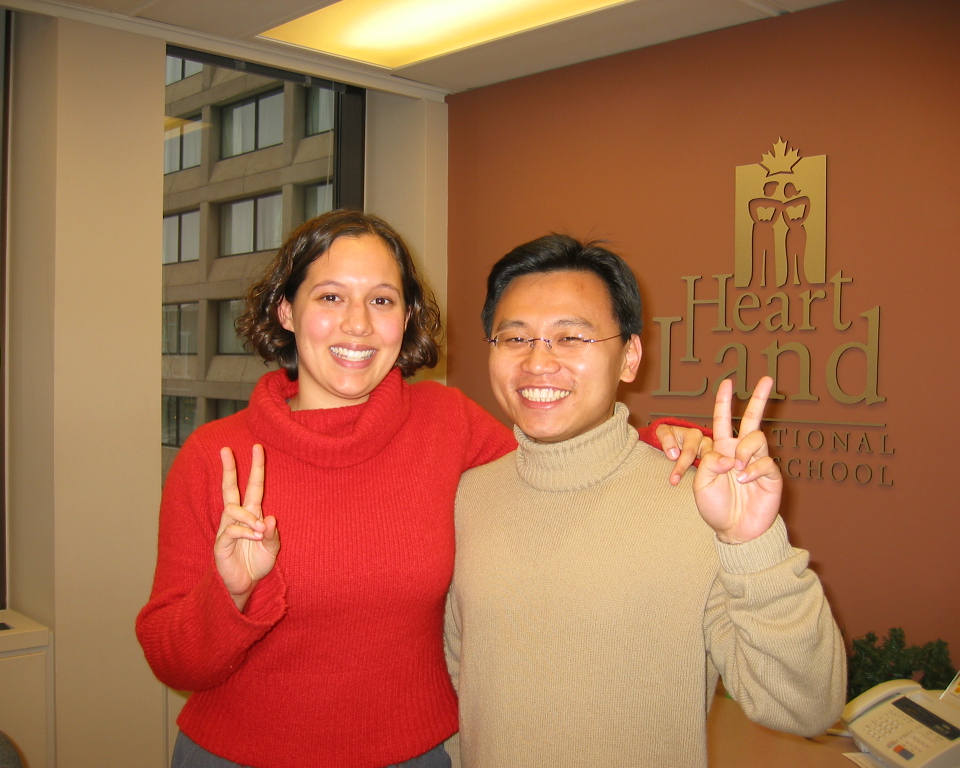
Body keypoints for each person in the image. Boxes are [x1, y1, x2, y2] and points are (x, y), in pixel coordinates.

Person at [136, 211, 705, 768]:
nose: (357, 323)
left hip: (413, 755)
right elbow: (172, 661)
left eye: (382, 300)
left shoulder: (445, 422)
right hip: (237, 756)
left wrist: (662, 441)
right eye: (330, 297)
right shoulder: (217, 457)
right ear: (287, 311)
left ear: (406, 316)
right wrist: (230, 595)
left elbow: (555, 462)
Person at [444, 234, 846, 767]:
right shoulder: (468, 496)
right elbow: (459, 688)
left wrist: (753, 545)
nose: (538, 362)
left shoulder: (696, 507)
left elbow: (806, 708)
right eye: (514, 338)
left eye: (571, 337)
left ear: (629, 357)